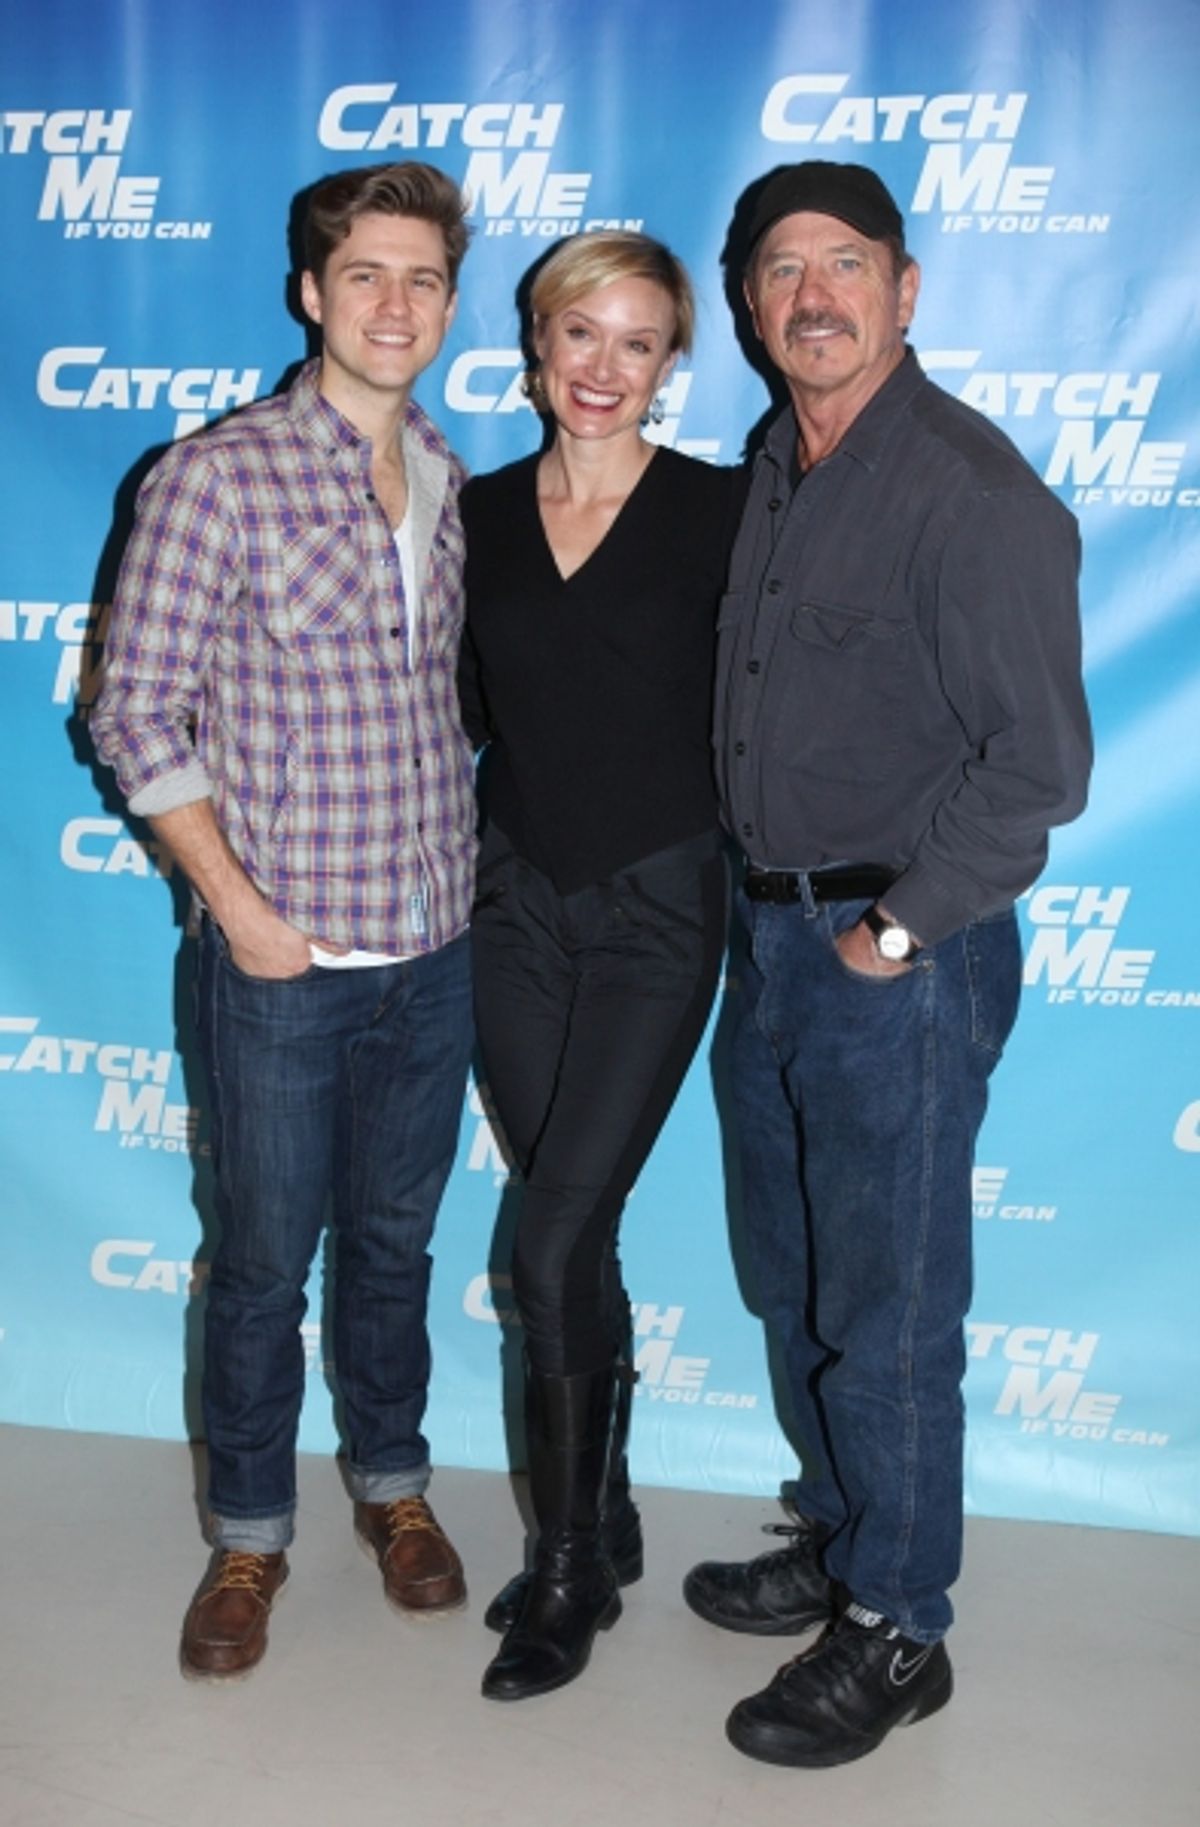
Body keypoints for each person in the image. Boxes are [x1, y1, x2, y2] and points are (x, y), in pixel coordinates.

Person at [684, 161, 1092, 1767]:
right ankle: (845, 1535)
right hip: (766, 939)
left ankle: (900, 1624)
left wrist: (892, 934)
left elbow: (1035, 770)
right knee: (793, 1283)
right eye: (778, 269)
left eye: (842, 262)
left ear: (905, 289)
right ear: (750, 305)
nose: (810, 294)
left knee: (892, 1309)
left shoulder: (972, 493)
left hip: (891, 965)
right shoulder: (778, 462)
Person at [92, 162, 478, 1681]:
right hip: (278, 967)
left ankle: (395, 1493)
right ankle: (249, 1535)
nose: (398, 305)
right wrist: (239, 909)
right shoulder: (215, 476)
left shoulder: (446, 474)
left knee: (392, 1249)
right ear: (310, 294)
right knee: (261, 1263)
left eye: (426, 280)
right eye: (367, 275)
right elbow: (131, 713)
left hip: (432, 953)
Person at [458, 231, 743, 1702]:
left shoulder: (724, 510)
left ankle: (566, 1575)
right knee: (574, 1237)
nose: (605, 368)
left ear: (669, 364)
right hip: (509, 903)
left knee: (553, 1240)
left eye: (638, 343)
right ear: (539, 342)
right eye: (585, 334)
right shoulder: (477, 512)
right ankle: (607, 1515)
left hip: (656, 909)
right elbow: (442, 707)